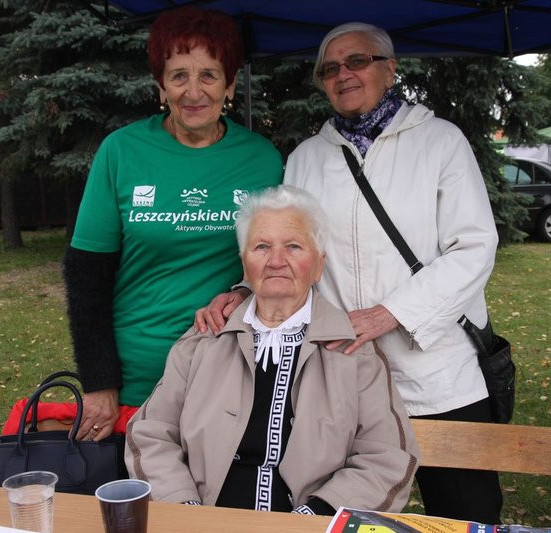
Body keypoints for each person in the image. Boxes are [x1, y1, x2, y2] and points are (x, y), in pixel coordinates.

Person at [196, 22, 502, 524]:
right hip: (341, 376)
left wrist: (390, 314)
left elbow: (473, 248)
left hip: (438, 375)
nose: (344, 74)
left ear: (389, 68)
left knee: (464, 514)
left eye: (357, 61)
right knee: (343, 513)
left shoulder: (440, 142)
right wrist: (242, 291)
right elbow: (289, 248)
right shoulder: (306, 159)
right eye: (330, 68)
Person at [126, 186, 419, 515]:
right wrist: (187, 511)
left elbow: (386, 458)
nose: (276, 261)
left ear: (319, 263)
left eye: (293, 247)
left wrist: (314, 518)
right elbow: (151, 435)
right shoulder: (204, 340)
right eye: (261, 247)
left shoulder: (355, 353)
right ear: (245, 262)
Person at [62, 6, 283, 442]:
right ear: (160, 86)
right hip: (132, 378)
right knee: (132, 507)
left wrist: (242, 291)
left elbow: (274, 263)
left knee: (207, 508)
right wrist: (100, 381)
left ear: (230, 85)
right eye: (179, 75)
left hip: (226, 372)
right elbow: (86, 276)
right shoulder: (121, 152)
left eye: (209, 75)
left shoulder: (262, 160)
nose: (193, 91)